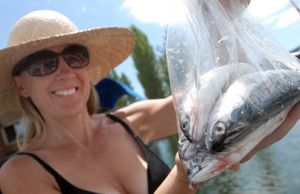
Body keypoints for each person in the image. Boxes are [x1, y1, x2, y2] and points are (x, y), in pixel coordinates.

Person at [0, 3, 299, 194]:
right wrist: (185, 175)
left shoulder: (131, 121)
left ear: (87, 68)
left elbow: (221, 89)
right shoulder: (21, 174)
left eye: (75, 57)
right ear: (21, 85)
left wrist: (222, 14)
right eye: (43, 63)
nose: (64, 70)